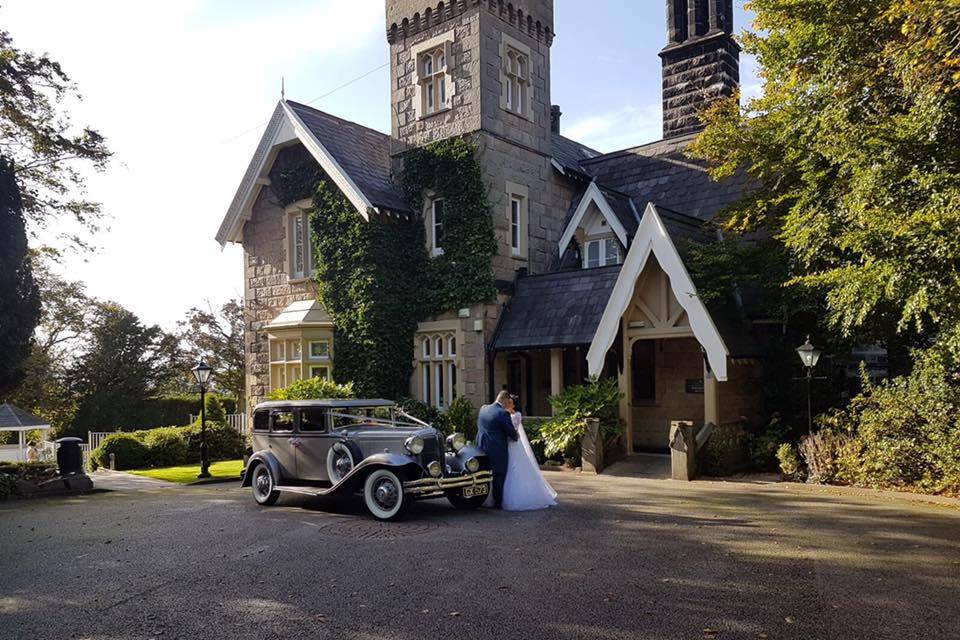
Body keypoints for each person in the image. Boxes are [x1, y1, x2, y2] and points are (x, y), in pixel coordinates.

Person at [501, 395, 557, 511]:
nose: (507, 404)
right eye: (507, 402)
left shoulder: (516, 415)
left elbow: (514, 429)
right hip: (507, 442)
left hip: (514, 442)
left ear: (513, 405)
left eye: (510, 403)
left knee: (516, 465)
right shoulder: (504, 414)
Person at [475, 390, 519, 508]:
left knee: (482, 474)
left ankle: (480, 499)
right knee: (498, 475)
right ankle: (497, 503)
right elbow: (512, 434)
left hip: (481, 447)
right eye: (508, 401)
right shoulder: (502, 413)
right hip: (497, 449)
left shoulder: (483, 408)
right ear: (505, 400)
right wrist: (516, 435)